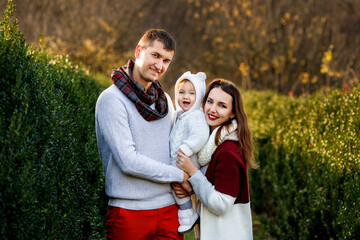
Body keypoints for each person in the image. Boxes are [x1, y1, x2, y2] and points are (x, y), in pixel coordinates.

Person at [95, 28, 191, 240]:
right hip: (129, 212)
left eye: (166, 61)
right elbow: (128, 161)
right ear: (139, 51)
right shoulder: (112, 100)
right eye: (155, 55)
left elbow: (176, 149)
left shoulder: (164, 100)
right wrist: (179, 176)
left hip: (168, 211)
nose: (159, 66)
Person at [173, 79, 259, 240]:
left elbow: (221, 204)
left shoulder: (228, 152)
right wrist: (189, 187)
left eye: (222, 105)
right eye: (210, 102)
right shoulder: (210, 145)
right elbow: (209, 184)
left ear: (233, 113)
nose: (212, 109)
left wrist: (192, 171)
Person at [169, 71, 210, 234]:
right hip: (178, 161)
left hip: (188, 160)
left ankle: (188, 213)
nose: (186, 97)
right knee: (175, 188)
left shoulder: (196, 116)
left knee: (177, 186)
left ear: (198, 96)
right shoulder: (180, 115)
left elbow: (200, 136)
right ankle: (188, 213)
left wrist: (185, 148)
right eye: (181, 92)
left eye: (191, 93)